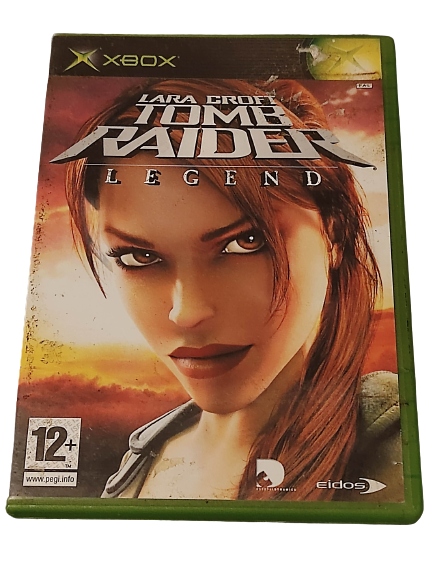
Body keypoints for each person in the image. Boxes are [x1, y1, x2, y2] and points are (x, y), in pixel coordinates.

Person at [61, 78, 402, 501]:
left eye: (245, 242)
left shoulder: (398, 438)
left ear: (333, 231)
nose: (186, 312)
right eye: (139, 256)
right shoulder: (143, 456)